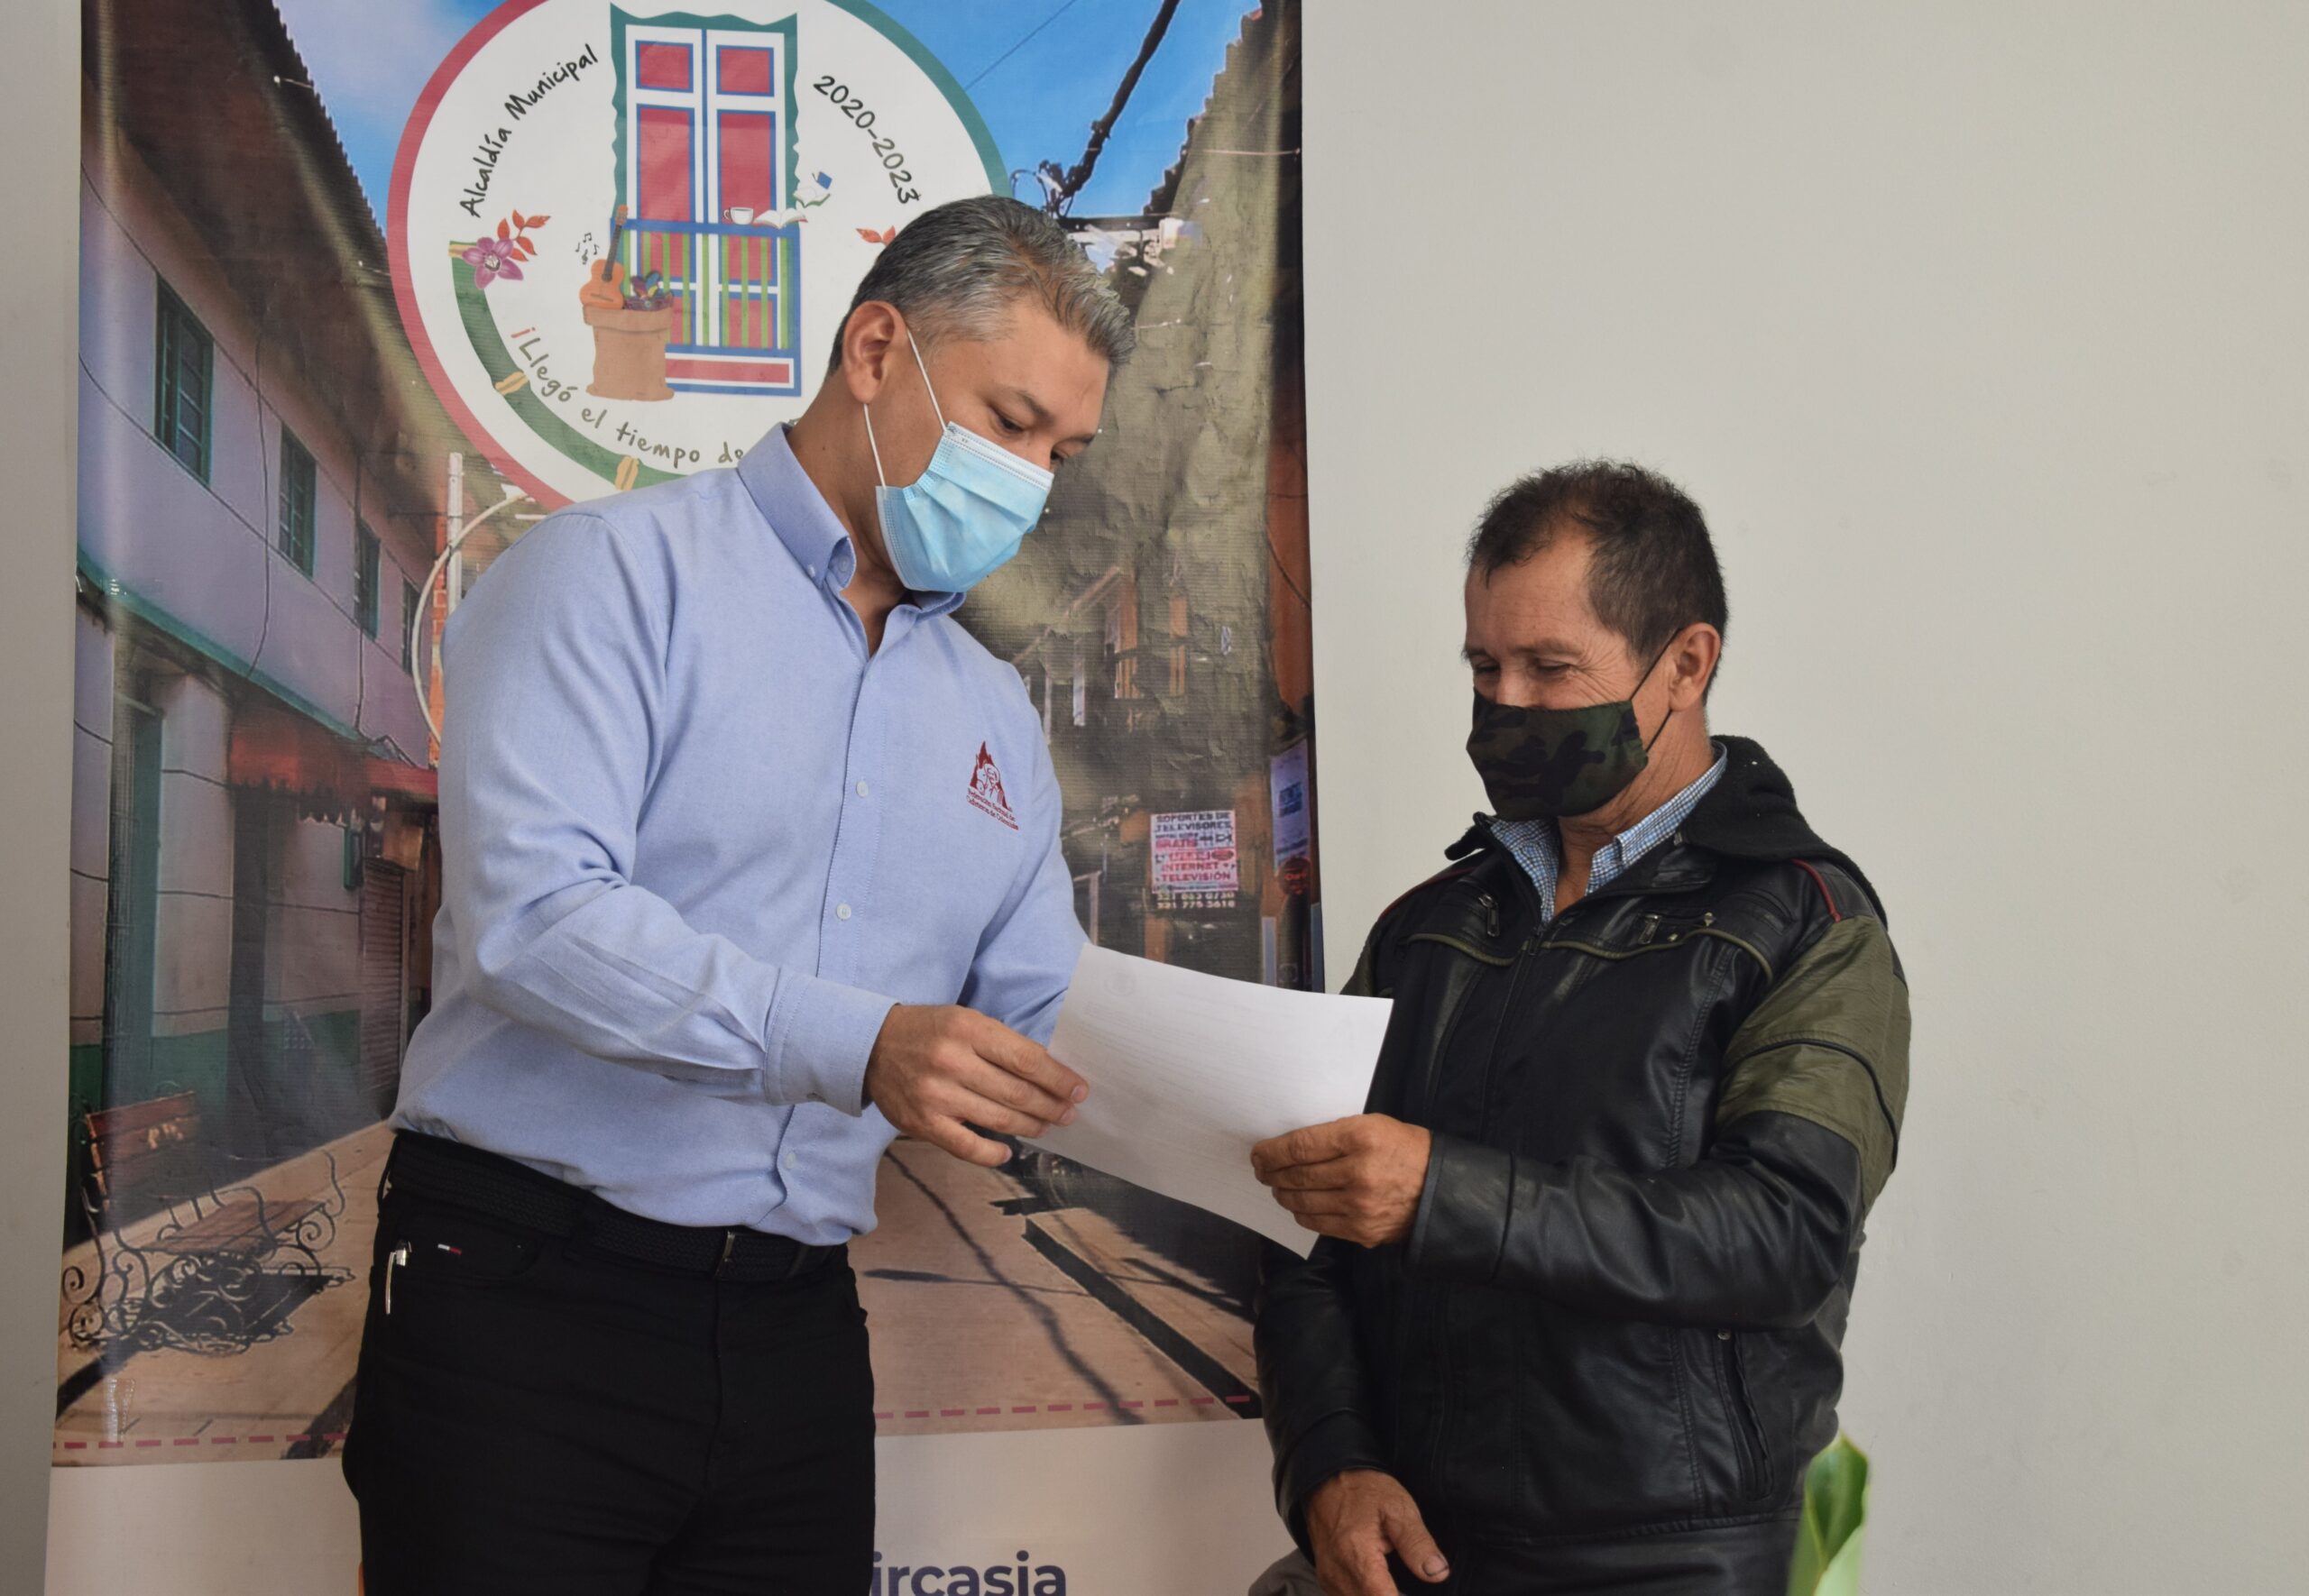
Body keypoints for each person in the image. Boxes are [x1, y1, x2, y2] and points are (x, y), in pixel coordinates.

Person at [343, 197, 1132, 1595]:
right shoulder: (607, 577)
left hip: (793, 1330)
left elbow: (1046, 1012)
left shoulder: (994, 716)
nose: (1029, 483)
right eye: (1009, 423)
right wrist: (859, 1043)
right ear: (876, 351)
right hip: (526, 1300)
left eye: (1059, 454)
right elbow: (538, 918)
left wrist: (1258, 1116)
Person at [1249, 463, 1910, 1595]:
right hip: (1418, 1552)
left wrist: (1438, 1193)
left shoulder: (1809, 925)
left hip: (1686, 1563)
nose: (1506, 704)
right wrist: (1329, 1461)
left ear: (1686, 663)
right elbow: (1300, 1231)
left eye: (1550, 668)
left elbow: (1784, 1235)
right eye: (1483, 667)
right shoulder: (1424, 928)